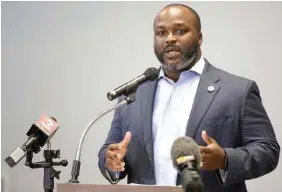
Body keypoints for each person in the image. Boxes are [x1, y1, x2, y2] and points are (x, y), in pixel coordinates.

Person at [98, 3, 280, 192]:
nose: (169, 39)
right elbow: (109, 150)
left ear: (199, 38)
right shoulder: (133, 95)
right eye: (161, 33)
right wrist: (111, 161)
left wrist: (225, 158)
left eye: (180, 31)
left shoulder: (237, 91)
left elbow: (268, 150)